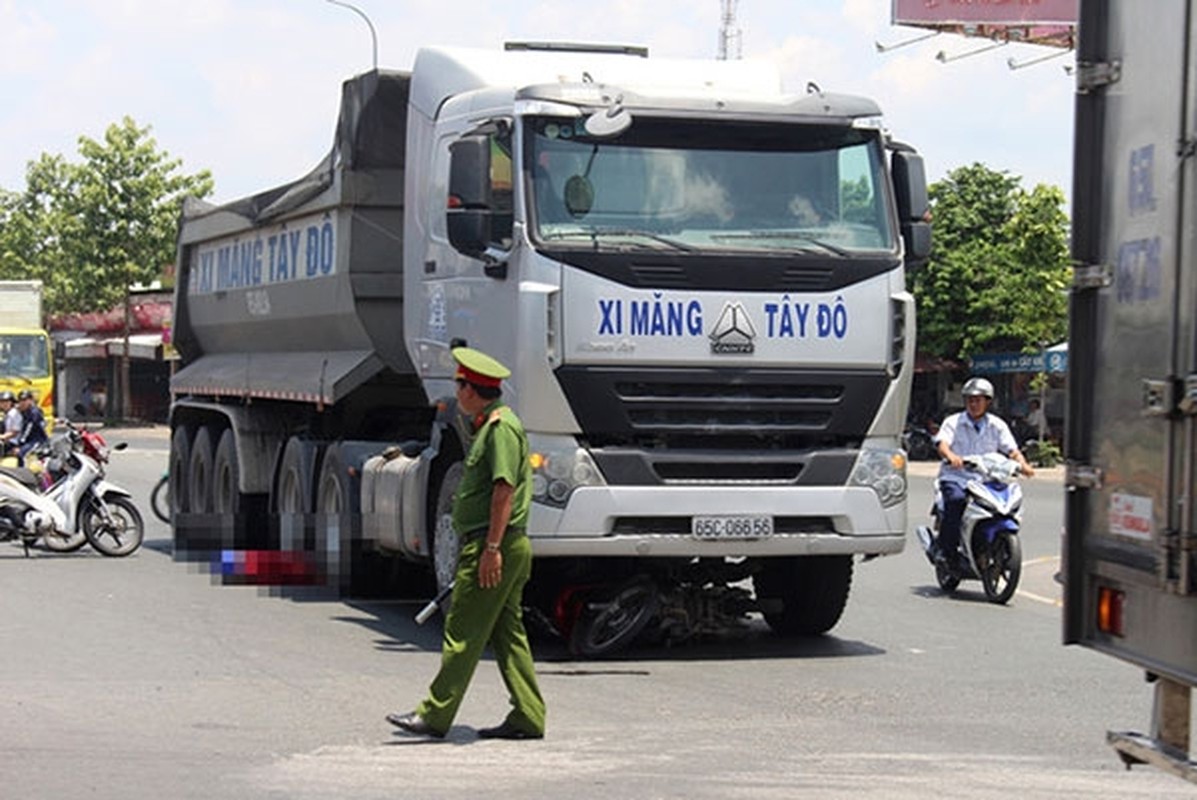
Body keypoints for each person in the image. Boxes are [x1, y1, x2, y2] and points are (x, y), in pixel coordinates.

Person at [387, 347, 546, 741]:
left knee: (462, 631)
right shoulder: (492, 425)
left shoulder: (500, 430)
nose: (456, 391)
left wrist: (490, 549)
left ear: (473, 390)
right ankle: (528, 714)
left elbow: (503, 491)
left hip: (496, 545)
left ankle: (435, 715)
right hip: (502, 545)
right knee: (508, 633)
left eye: (460, 384)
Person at [934, 377, 1034, 569]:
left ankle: (986, 546)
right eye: (970, 400)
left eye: (978, 400)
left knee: (1002, 506)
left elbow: (1012, 450)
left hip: (986, 480)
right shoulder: (953, 422)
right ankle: (946, 551)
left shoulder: (997, 425)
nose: (974, 404)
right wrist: (952, 456)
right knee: (956, 501)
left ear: (988, 402)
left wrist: (1023, 465)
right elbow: (942, 444)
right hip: (956, 477)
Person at [13, 389, 48, 467]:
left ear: (31, 400)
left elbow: (28, 429)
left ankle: (24, 474)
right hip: (29, 439)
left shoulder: (34, 412)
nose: (22, 403)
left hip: (37, 440)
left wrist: (20, 444)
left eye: (25, 400)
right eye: (20, 400)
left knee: (22, 453)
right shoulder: (23, 411)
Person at [0, 390, 19, 455]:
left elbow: (15, 432)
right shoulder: (5, 414)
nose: (4, 404)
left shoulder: (14, 414)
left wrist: (2, 436)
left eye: (7, 401)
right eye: (2, 402)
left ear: (12, 402)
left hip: (13, 443)